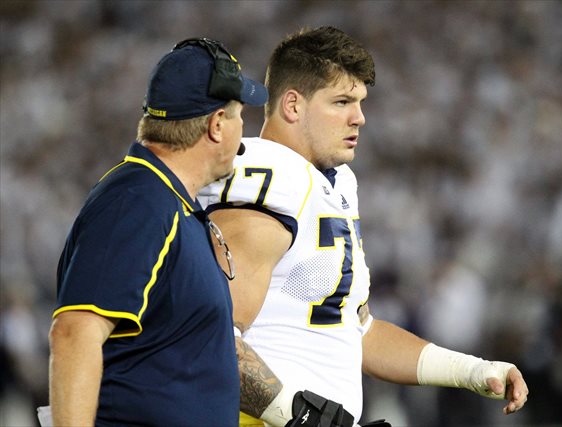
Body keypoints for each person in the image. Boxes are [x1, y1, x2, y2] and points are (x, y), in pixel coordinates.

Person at [198, 26, 529, 426]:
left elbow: (357, 330)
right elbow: (213, 332)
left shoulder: (332, 182)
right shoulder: (268, 175)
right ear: (292, 105)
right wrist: (301, 417)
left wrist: (472, 371)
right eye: (341, 102)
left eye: (360, 102)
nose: (359, 117)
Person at [45, 37, 267, 426]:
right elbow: (74, 333)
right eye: (238, 114)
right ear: (217, 125)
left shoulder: (169, 202)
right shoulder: (138, 201)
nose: (242, 129)